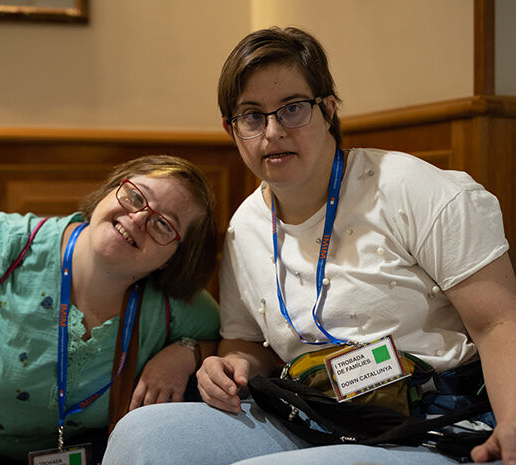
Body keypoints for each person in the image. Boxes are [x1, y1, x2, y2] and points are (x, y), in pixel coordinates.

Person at [102, 27, 516, 465]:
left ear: (328, 109)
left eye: (293, 109)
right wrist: (230, 366)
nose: (273, 131)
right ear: (231, 129)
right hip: (311, 413)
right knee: (143, 436)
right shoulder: (246, 227)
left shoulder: (414, 190)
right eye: (252, 116)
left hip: (428, 421)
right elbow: (246, 343)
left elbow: (498, 322)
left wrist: (511, 425)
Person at [0, 155, 220, 465]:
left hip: (72, 448)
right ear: (110, 190)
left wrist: (186, 353)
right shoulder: (5, 243)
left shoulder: (173, 301)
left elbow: (231, 342)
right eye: (135, 195)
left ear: (176, 257)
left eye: (164, 223)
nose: (139, 216)